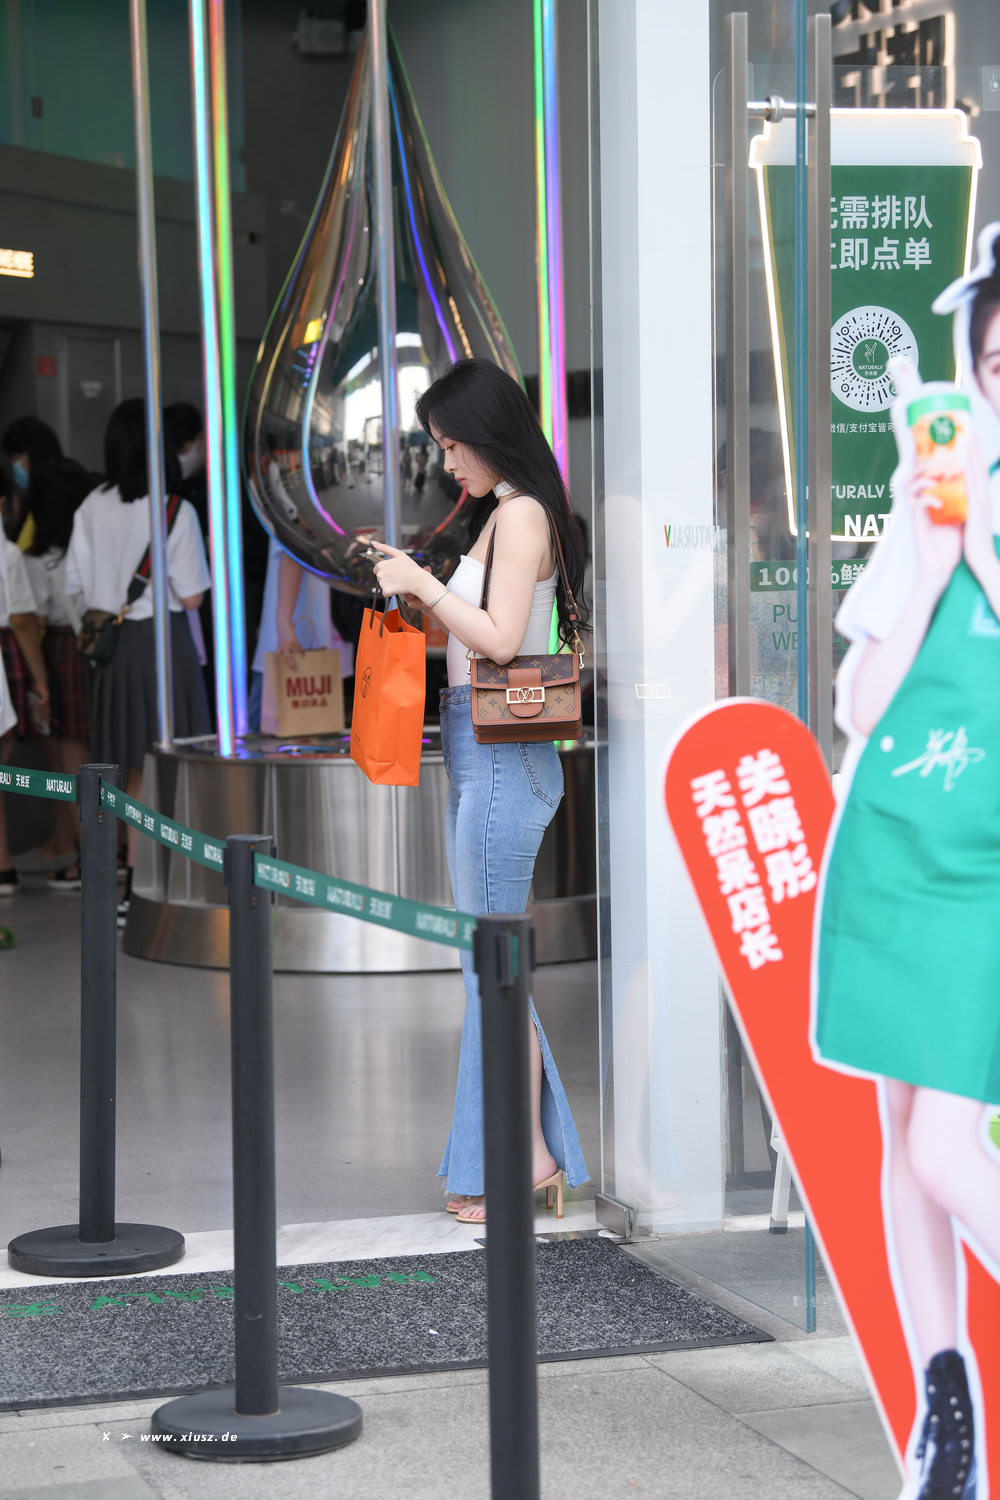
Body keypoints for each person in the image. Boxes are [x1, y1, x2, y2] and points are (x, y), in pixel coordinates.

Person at [814, 227, 1000, 1500]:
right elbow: (859, 706)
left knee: (944, 1147)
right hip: (895, 848)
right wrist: (933, 558)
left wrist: (980, 547)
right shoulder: (933, 500)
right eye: (991, 362)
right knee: (899, 1132)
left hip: (991, 867)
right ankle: (948, 1404)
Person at [370, 357, 590, 1224]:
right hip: (483, 743)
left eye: (453, 444)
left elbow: (500, 639)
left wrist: (424, 585)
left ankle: (522, 1158)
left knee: (488, 969)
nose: (447, 462)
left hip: (502, 750)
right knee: (487, 967)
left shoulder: (523, 513)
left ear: (490, 433)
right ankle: (506, 1157)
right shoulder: (507, 512)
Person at [65, 399, 210, 922]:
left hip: (113, 649)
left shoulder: (91, 506)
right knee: (164, 764)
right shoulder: (174, 510)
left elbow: (73, 586)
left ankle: (132, 883)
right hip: (163, 644)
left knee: (124, 767)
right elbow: (192, 596)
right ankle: (154, 883)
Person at [24, 461, 99, 889]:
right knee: (106, 750)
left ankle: (88, 857)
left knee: (71, 756)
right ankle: (115, 849)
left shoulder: (38, 560)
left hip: (59, 650)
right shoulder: (94, 545)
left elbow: (31, 618)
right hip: (100, 645)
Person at [247, 536, 353, 732]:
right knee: (318, 727)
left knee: (262, 724)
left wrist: (283, 623)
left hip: (295, 629)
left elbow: (293, 551)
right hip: (325, 628)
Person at [0, 535, 49, 895]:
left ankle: (3, 866)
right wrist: (40, 678)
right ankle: (3, 866)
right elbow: (21, 619)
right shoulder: (7, 553)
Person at [1, 416, 64, 550]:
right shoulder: (31, 503)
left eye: (15, 458)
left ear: (33, 455)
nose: (14, 467)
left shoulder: (55, 503)